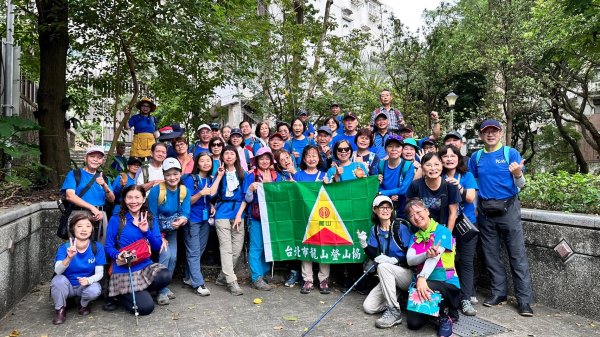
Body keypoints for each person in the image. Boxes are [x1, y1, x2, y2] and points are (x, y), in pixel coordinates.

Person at [468, 119, 532, 316]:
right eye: (486, 131)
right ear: (480, 135)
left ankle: (524, 301)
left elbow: (521, 184)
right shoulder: (476, 157)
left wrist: (518, 173)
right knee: (491, 255)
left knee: (517, 255)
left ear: (500, 133)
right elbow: (474, 184)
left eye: (494, 131)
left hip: (508, 210)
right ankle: (498, 293)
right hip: (486, 212)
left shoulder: (510, 153)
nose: (490, 134)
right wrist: (475, 207)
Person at [105, 185, 171, 315]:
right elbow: (108, 246)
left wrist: (146, 232)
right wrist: (118, 255)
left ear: (143, 198)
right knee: (146, 308)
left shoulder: (150, 219)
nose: (133, 201)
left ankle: (138, 290)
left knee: (165, 275)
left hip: (145, 266)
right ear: (124, 199)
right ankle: (118, 294)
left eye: (137, 197)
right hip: (125, 269)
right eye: (129, 197)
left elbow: (157, 246)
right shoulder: (116, 220)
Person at [405, 199, 460, 337]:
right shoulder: (415, 236)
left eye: (418, 212)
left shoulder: (443, 231)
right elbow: (410, 260)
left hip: (446, 285)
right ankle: (431, 312)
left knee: (427, 285)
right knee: (413, 324)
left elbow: (435, 257)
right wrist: (424, 254)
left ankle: (444, 316)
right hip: (424, 284)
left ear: (427, 211)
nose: (416, 217)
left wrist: (422, 277)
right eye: (412, 216)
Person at [358, 196, 412, 329]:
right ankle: (397, 298)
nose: (385, 210)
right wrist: (364, 244)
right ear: (375, 210)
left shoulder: (400, 227)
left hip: (407, 274)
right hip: (389, 275)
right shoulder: (375, 230)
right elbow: (374, 256)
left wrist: (395, 260)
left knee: (383, 267)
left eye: (388, 207)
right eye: (382, 207)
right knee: (369, 307)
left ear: (392, 209)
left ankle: (394, 311)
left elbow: (412, 255)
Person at [440, 144, 479, 316]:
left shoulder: (466, 175)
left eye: (453, 156)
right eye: (445, 156)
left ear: (459, 158)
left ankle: (466, 298)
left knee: (466, 262)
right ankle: (448, 297)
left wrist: (458, 187)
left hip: (465, 224)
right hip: (444, 225)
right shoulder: (437, 176)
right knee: (446, 261)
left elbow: (470, 198)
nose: (449, 159)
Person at [147, 158, 191, 305]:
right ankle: (160, 291)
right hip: (157, 229)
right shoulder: (156, 190)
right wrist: (160, 236)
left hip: (172, 229)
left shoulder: (184, 191)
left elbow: (185, 212)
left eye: (175, 174)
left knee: (173, 258)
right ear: (164, 175)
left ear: (180, 173)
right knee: (165, 255)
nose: (172, 178)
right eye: (168, 174)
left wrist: (183, 220)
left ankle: (164, 286)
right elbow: (151, 216)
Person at [239, 148, 282, 291]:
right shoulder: (251, 176)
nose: (264, 161)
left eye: (267, 158)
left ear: (271, 161)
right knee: (256, 247)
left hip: (272, 217)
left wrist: (270, 186)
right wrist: (251, 189)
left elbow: (280, 198)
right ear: (257, 161)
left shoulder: (276, 176)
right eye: (261, 159)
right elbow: (247, 199)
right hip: (256, 217)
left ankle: (263, 273)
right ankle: (256, 277)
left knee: (268, 246)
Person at [51, 214, 106, 324]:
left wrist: (89, 280)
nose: (84, 229)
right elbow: (58, 271)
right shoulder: (64, 248)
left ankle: (83, 304)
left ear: (92, 230)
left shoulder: (97, 247)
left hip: (84, 285)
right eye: (79, 226)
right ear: (73, 228)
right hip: (68, 286)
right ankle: (60, 310)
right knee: (57, 280)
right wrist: (69, 257)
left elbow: (100, 273)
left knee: (95, 288)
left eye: (88, 226)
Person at [182, 152, 224, 296]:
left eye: (208, 161)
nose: (206, 163)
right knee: (194, 251)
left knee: (199, 251)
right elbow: (186, 201)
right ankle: (199, 284)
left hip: (205, 219)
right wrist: (201, 193)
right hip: (192, 219)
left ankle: (188, 277)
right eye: (202, 160)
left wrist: (218, 176)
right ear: (197, 163)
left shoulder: (210, 179)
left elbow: (212, 193)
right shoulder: (190, 179)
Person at [214, 145, 249, 295]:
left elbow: (247, 196)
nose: (228, 156)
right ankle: (232, 281)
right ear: (222, 157)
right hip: (222, 213)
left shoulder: (244, 174)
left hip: (238, 213)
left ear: (236, 156)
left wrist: (239, 215)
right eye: (226, 154)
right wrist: (219, 176)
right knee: (226, 248)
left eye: (231, 153)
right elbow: (212, 194)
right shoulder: (218, 174)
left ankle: (223, 276)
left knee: (236, 249)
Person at [61, 145, 115, 244]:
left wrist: (104, 186)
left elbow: (111, 199)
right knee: (77, 247)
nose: (96, 160)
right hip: (79, 214)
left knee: (99, 247)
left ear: (102, 161)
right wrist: (92, 208)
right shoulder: (74, 174)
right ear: (85, 158)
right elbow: (70, 196)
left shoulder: (104, 178)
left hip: (100, 215)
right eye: (92, 156)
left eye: (99, 158)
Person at [294, 146, 328, 294]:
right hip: (304, 217)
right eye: (308, 156)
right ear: (303, 159)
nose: (312, 158)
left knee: (323, 246)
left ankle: (324, 279)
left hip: (322, 217)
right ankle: (307, 279)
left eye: (314, 155)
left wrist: (332, 182)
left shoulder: (325, 175)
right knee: (306, 246)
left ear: (319, 158)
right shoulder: (298, 176)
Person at [407, 152, 460, 232]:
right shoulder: (415, 185)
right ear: (422, 167)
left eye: (437, 164)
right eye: (428, 165)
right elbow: (410, 208)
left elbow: (453, 213)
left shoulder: (450, 186)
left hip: (442, 229)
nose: (433, 168)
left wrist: (446, 235)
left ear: (442, 166)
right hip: (420, 230)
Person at [377, 135, 414, 220]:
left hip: (403, 205)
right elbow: (377, 186)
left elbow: (404, 189)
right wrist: (388, 196)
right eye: (390, 146)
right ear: (386, 149)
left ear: (402, 149)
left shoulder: (408, 166)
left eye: (397, 146)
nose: (394, 149)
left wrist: (384, 193)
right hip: (384, 204)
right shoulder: (380, 165)